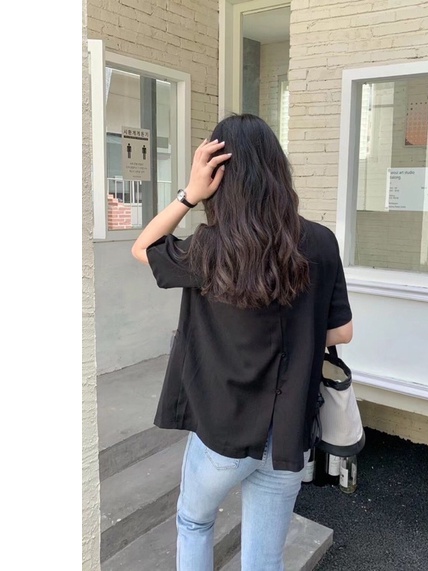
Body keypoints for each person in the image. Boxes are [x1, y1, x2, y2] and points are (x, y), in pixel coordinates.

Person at [131, 113, 353, 571]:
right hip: (288, 432)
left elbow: (143, 247)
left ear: (221, 177)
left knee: (194, 523)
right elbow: (342, 332)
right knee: (264, 559)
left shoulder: (210, 247)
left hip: (224, 428)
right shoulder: (320, 241)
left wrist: (189, 194)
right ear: (278, 169)